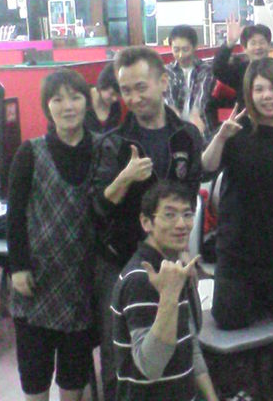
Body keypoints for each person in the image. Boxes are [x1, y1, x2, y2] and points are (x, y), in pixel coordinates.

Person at [92, 46, 203, 401]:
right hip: (121, 263)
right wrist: (124, 178)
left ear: (162, 82)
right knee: (121, 359)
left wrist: (184, 251)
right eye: (126, 90)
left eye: (141, 87)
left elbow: (188, 202)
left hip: (170, 260)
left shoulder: (186, 136)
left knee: (179, 341)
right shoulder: (113, 143)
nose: (134, 97)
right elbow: (97, 209)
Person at [202, 57, 273, 392]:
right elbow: (206, 168)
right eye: (259, 89)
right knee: (230, 319)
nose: (268, 96)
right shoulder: (235, 132)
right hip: (238, 250)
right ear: (249, 94)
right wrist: (220, 137)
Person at [7, 69, 98, 401]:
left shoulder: (103, 149)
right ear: (48, 107)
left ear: (87, 102)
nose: (67, 106)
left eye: (75, 97)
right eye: (57, 99)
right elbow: (15, 215)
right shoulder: (29, 153)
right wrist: (18, 267)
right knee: (35, 375)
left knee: (74, 375)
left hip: (82, 281)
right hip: (36, 281)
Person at [111, 181, 218, 401]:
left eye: (187, 215)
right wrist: (169, 296)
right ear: (146, 222)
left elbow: (190, 344)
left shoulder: (173, 269)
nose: (181, 224)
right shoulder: (140, 279)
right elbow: (150, 366)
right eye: (169, 215)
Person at [211, 13, 273, 108]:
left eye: (262, 42)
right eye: (253, 43)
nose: (258, 47)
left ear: (269, 45)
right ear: (245, 48)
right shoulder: (239, 71)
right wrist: (229, 44)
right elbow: (217, 69)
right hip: (247, 118)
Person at [164, 24, 214, 137]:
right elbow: (168, 98)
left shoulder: (205, 69)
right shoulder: (166, 71)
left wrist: (195, 115)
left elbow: (201, 95)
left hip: (200, 125)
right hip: (173, 126)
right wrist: (175, 119)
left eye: (185, 49)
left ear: (195, 47)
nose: (181, 55)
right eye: (176, 50)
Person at [85, 61, 123, 133]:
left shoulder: (115, 107)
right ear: (103, 85)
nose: (115, 99)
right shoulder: (83, 97)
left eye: (119, 96)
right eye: (112, 94)